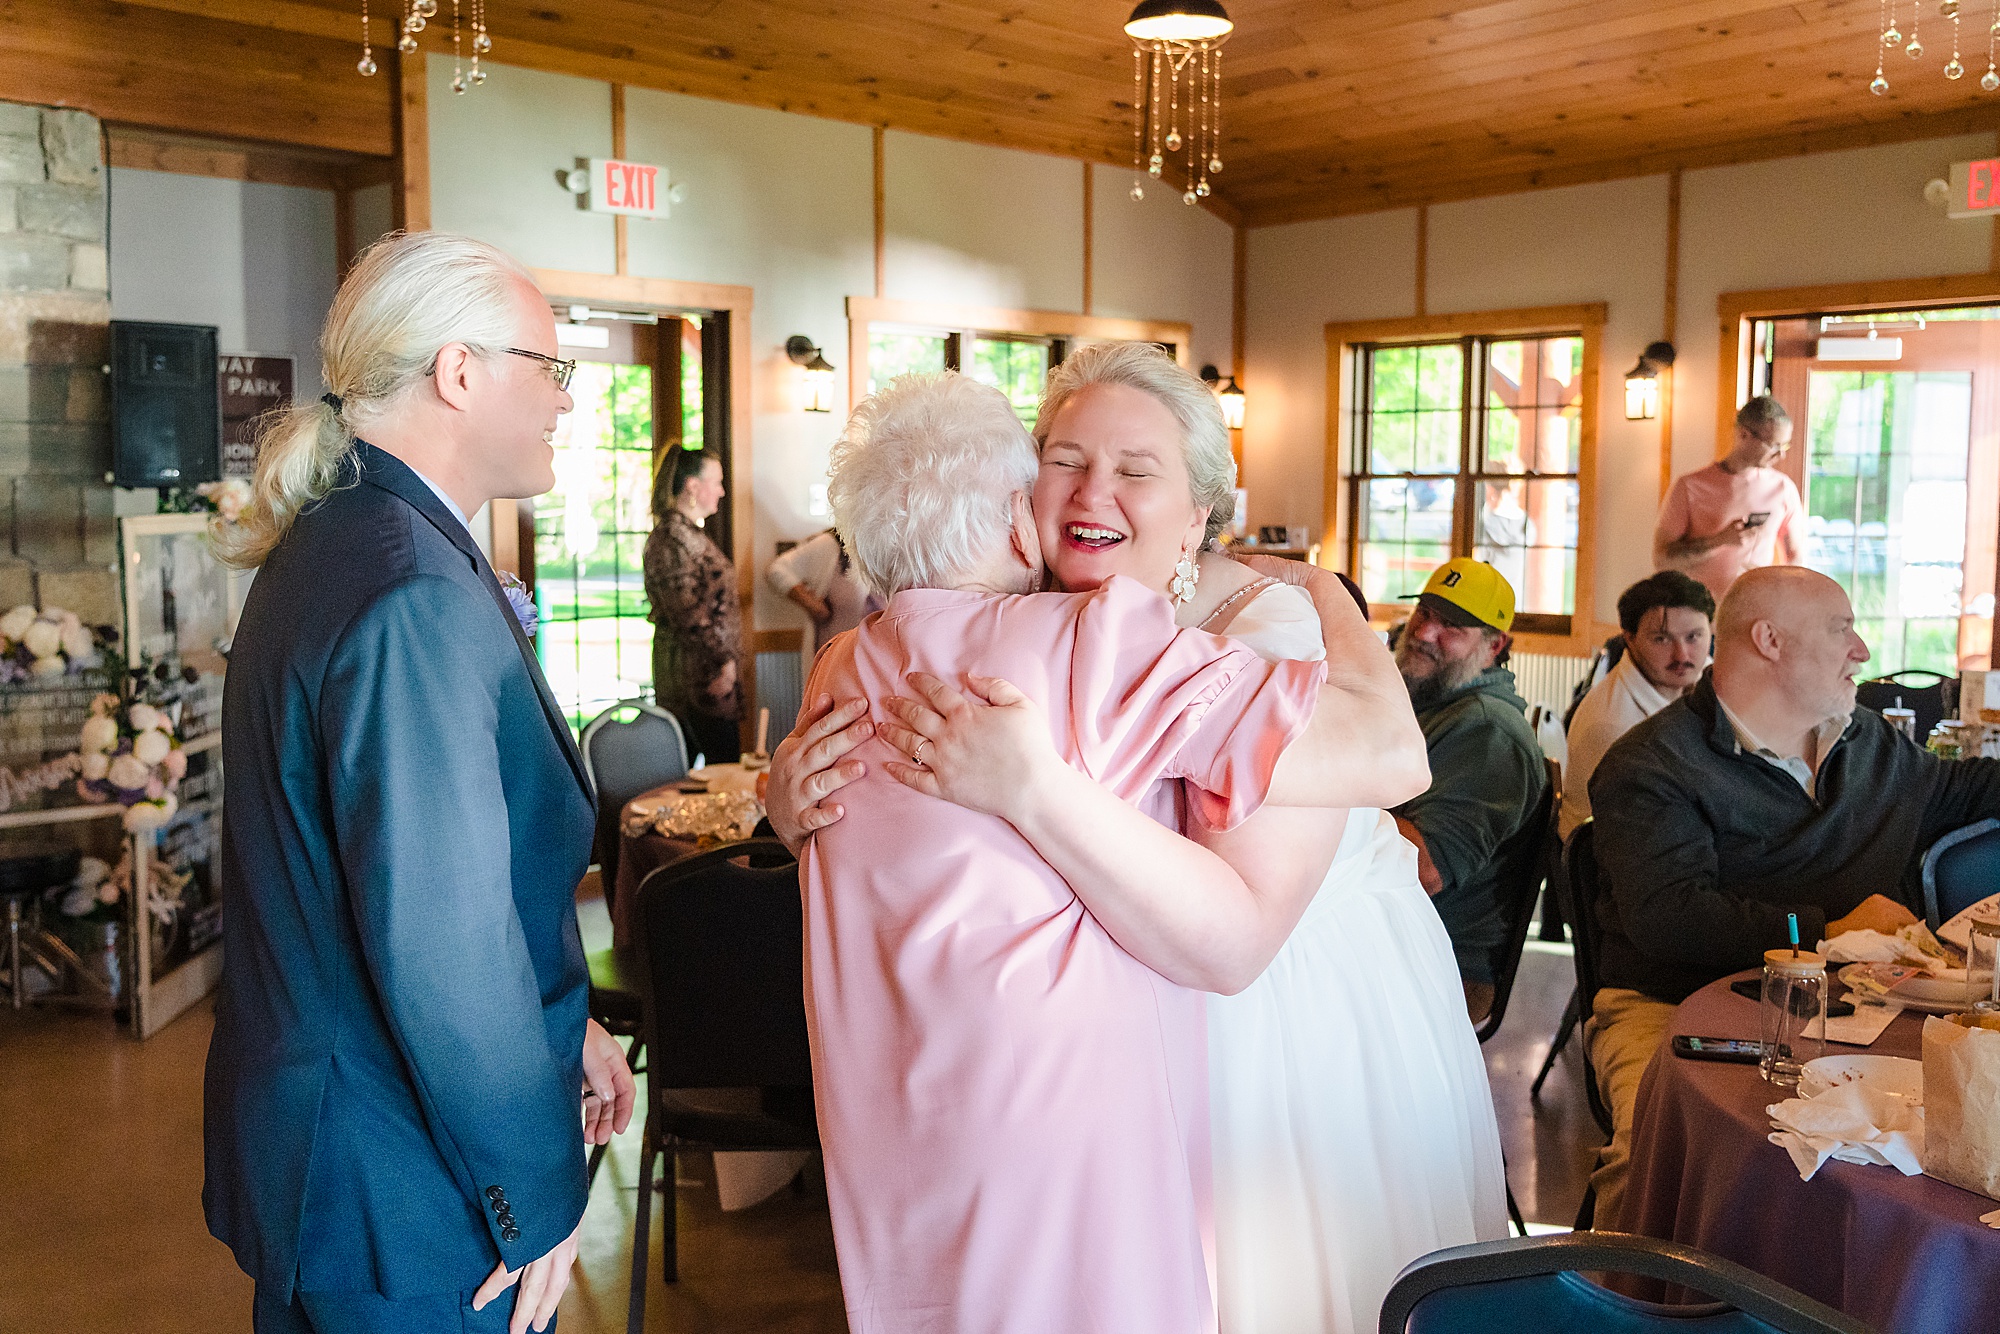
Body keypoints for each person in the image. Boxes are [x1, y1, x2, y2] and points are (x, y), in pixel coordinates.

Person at [775, 342, 1505, 1334]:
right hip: (1064, 1058)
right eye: (1065, 460)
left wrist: (1329, 598)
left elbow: (1258, 911)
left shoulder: (1255, 629)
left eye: (1134, 468)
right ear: (1020, 495)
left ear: (1198, 514)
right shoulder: (1022, 614)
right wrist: (794, 805)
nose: (1091, 492)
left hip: (1269, 1040)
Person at [202, 232, 635, 1334]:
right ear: (459, 371)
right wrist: (536, 1190)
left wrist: (564, 1033)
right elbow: (442, 942)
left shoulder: (343, 536)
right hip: (404, 1187)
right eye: (550, 366)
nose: (565, 398)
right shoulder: (410, 588)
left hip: (344, 1153)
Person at [1584, 565, 2000, 1229]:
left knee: (1956, 1139)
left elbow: (1964, 792)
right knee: (1651, 1150)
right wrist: (1828, 928)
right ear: (1770, 640)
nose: (1861, 650)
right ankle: (1620, 1285)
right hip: (1670, 1005)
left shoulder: (1864, 741)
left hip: (1854, 1004)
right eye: (1842, 630)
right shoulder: (1656, 765)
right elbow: (1670, 918)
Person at [1389, 557, 1548, 1023]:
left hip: (1440, 963)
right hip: (1399, 936)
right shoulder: (1435, 702)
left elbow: (1423, 869)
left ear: (1495, 645)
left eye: (1451, 627)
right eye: (1424, 613)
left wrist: (1324, 796)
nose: (1424, 633)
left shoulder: (1487, 729)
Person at [1559, 571, 1715, 840]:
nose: (1682, 655)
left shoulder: (1703, 677)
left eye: (1694, 637)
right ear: (1629, 639)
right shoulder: (1614, 726)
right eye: (1661, 639)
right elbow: (1636, 839)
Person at [1653, 395, 1803, 603]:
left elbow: (1795, 558)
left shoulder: (1783, 488)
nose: (1781, 455)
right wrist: (1719, 540)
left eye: (1784, 446)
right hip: (1699, 611)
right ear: (1743, 435)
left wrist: (1781, 597)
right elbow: (1662, 559)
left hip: (1754, 609)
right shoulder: (1689, 486)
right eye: (1774, 445)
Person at [645, 448, 741, 765]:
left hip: (706, 674)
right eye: (717, 482)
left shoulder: (689, 535)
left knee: (721, 768)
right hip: (695, 679)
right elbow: (687, 614)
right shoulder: (671, 539)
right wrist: (723, 662)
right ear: (693, 486)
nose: (722, 491)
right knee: (708, 774)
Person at [764, 527, 879, 653]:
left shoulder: (886, 547)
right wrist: (812, 604)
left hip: (874, 656)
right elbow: (777, 569)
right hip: (831, 655)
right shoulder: (829, 544)